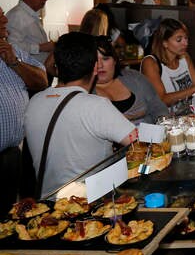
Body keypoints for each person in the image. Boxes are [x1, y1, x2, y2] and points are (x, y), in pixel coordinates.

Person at [24, 32, 137, 198]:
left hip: (48, 207)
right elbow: (141, 143)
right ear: (95, 68)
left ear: (57, 66)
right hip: (90, 205)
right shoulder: (96, 106)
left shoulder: (34, 102)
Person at [0, 5, 48, 211]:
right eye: (0, 16)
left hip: (12, 154)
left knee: (8, 216)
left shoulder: (12, 51)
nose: (4, 21)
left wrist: (15, 63)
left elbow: (42, 81)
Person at [142, 18, 195, 114]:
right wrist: (193, 89)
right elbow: (162, 99)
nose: (185, 43)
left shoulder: (184, 57)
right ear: (164, 43)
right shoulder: (150, 62)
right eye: (179, 40)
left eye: (186, 38)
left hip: (188, 116)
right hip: (165, 121)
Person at [95, 36, 169, 124]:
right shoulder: (85, 93)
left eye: (105, 58)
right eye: (95, 60)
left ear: (114, 60)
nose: (100, 65)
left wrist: (163, 129)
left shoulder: (133, 77)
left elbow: (159, 108)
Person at [5, 0, 54, 64]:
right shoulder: (16, 16)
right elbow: (12, 46)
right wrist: (40, 48)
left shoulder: (30, 13)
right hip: (28, 71)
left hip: (40, 69)